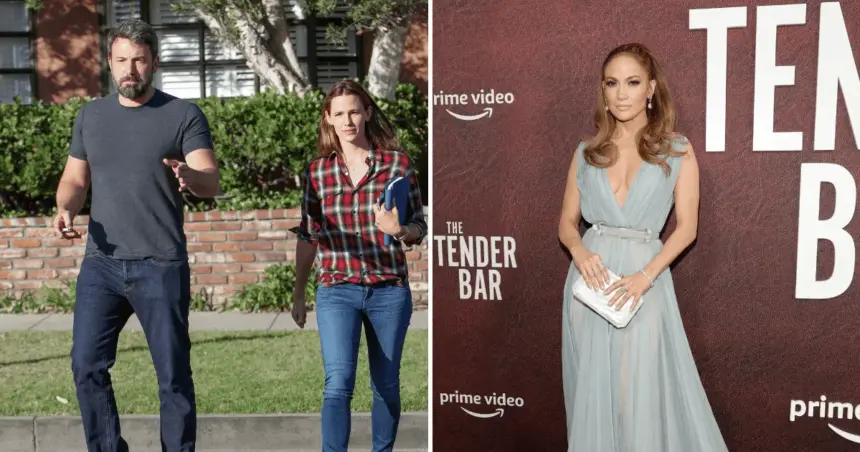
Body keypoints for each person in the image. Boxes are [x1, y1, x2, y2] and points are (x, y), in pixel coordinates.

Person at [54, 19, 219, 452]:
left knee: (172, 375)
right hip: (102, 264)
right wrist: (65, 207)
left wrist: (190, 175)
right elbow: (75, 178)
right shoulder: (91, 115)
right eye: (122, 60)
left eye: (140, 60)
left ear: (155, 64)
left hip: (160, 263)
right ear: (110, 64)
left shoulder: (183, 115)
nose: (131, 69)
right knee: (86, 364)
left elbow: (210, 180)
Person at [558, 42, 728, 451]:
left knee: (637, 398)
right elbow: (566, 224)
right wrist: (581, 254)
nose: (621, 93)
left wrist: (645, 276)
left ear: (650, 88)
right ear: (603, 90)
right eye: (612, 83)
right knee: (592, 397)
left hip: (644, 283)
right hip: (590, 285)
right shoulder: (586, 153)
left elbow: (687, 229)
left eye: (632, 82)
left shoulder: (678, 150)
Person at [289, 79, 426, 452]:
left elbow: (419, 228)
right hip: (337, 290)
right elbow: (308, 235)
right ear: (328, 120)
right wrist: (299, 294)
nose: (347, 120)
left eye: (354, 111)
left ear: (367, 113)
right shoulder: (317, 173)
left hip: (388, 290)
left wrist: (400, 230)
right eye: (339, 114)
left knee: (385, 385)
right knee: (338, 382)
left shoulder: (397, 163)